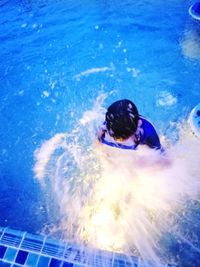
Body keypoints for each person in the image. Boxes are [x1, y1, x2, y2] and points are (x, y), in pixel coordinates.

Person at [97, 99, 162, 151]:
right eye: (116, 138)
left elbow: (159, 152)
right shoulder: (104, 129)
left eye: (122, 138)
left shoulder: (147, 132)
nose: (119, 141)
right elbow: (97, 143)